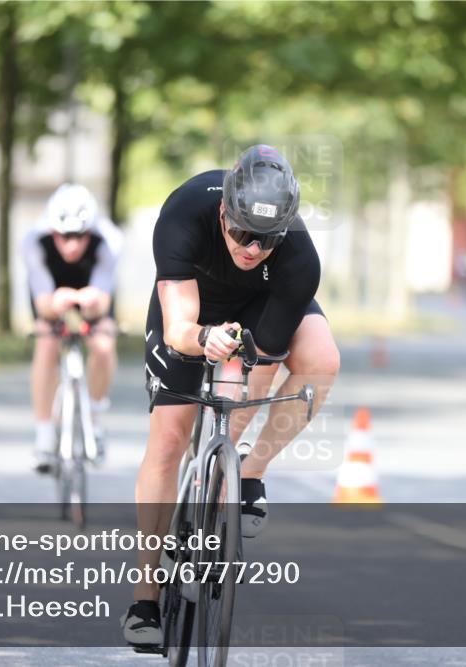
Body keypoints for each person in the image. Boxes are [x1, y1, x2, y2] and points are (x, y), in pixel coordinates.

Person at [121, 145, 340, 647]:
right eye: (241, 233)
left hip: (262, 307)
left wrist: (229, 474)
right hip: (194, 312)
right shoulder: (185, 212)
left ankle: (248, 474)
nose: (250, 249)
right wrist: (203, 339)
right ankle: (146, 596)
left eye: (265, 241)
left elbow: (260, 361)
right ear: (224, 212)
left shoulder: (299, 259)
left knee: (321, 360)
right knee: (170, 439)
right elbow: (179, 326)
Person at [20, 183, 123, 473]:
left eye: (80, 236)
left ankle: (93, 417)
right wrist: (56, 304)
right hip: (51, 293)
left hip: (92, 292)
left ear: (91, 231)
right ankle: (44, 435)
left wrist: (92, 304)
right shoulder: (33, 241)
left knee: (103, 345)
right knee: (47, 342)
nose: (73, 245)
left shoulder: (109, 239)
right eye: (65, 237)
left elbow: (103, 297)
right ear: (53, 232)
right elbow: (42, 302)